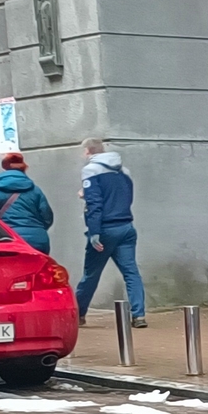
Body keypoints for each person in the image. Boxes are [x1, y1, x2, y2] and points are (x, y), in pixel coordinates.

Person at [75, 138, 146, 327]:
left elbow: (95, 204)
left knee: (91, 274)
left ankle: (78, 314)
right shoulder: (124, 170)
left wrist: (94, 232)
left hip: (105, 229)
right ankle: (138, 315)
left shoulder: (90, 171)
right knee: (131, 272)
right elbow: (123, 196)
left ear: (89, 151)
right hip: (126, 227)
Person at [0, 151, 54, 254]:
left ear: (5, 167)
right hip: (37, 239)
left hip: (9, 239)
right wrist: (36, 229)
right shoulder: (35, 190)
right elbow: (47, 217)